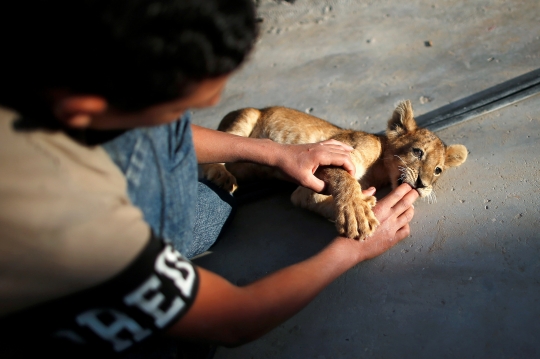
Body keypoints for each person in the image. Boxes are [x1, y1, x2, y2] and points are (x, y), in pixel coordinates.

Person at [0, 0, 418, 357]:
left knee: (219, 200)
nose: (210, 107)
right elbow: (234, 320)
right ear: (82, 106)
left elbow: (167, 134)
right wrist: (352, 250)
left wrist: (275, 151)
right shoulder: (72, 218)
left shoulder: (63, 72)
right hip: (74, 299)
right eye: (173, 110)